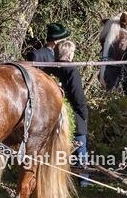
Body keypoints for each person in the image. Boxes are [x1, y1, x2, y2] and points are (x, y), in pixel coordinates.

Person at [27, 23, 91, 183]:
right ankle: (83, 179)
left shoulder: (50, 60)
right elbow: (78, 97)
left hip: (49, 110)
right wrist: (84, 116)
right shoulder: (41, 57)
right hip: (52, 108)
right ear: (58, 42)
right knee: (79, 146)